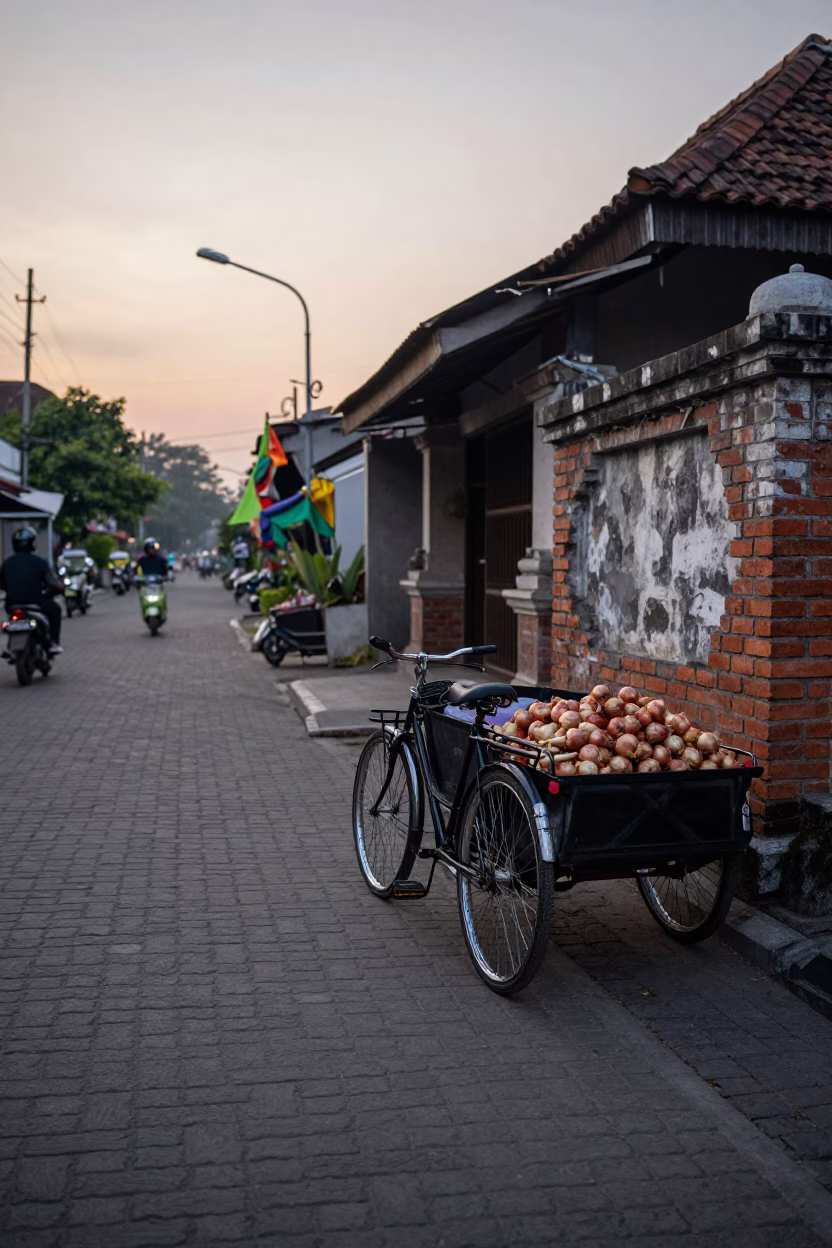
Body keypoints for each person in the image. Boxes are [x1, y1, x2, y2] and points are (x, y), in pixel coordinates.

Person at [0, 526, 65, 653]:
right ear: (32, 543)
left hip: (12, 603)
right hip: (36, 601)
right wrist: (60, 587)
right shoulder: (39, 562)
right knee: (56, 610)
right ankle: (53, 642)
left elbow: (2, 585)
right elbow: (52, 583)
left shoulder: (6, 564)